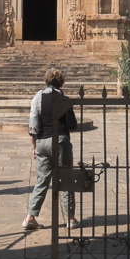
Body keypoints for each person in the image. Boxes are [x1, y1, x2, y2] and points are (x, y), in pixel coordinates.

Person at [22, 68, 79, 230]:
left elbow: (33, 124)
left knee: (42, 180)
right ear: (61, 82)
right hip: (60, 140)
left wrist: (33, 146)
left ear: (46, 81)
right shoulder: (63, 99)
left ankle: (30, 217)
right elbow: (72, 125)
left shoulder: (38, 97)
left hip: (42, 142)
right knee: (66, 178)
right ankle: (71, 218)